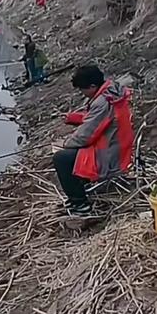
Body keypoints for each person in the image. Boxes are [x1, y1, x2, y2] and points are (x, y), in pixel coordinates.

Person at [52, 66, 134, 216]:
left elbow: (86, 136)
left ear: (92, 86)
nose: (82, 93)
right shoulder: (112, 92)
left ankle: (80, 205)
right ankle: (77, 195)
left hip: (110, 153)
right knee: (69, 154)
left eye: (83, 90)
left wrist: (64, 144)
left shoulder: (103, 101)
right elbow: (100, 119)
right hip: (118, 145)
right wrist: (73, 118)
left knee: (62, 158)